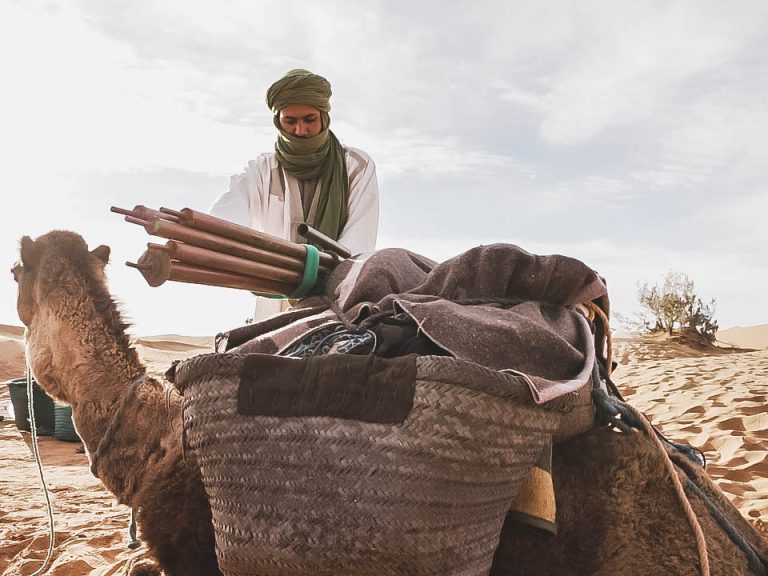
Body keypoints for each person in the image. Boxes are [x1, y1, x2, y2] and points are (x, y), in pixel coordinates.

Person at [209, 68, 380, 320]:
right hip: (276, 298)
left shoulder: (356, 165)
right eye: (291, 121)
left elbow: (358, 240)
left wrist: (314, 273)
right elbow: (224, 220)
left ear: (324, 117)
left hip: (339, 298)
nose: (300, 130)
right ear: (278, 121)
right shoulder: (262, 170)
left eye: (309, 119)